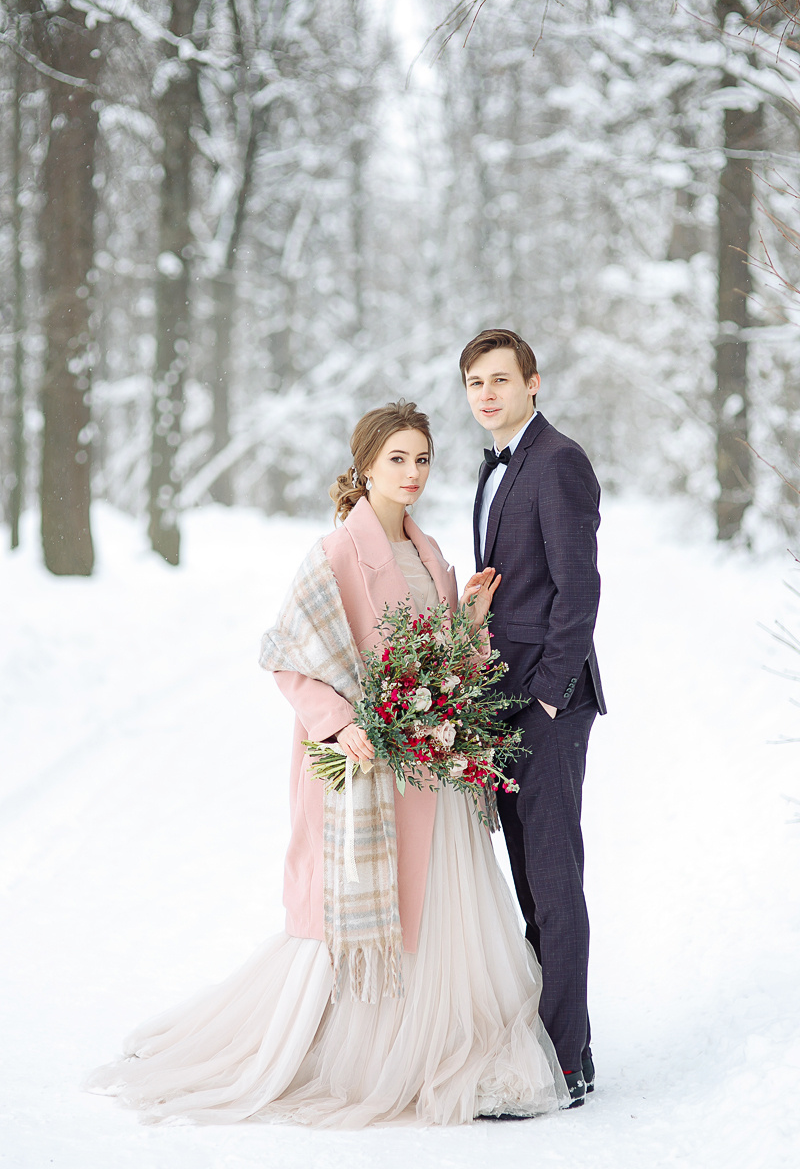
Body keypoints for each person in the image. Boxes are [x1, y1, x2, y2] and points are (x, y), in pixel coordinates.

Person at [84, 400, 569, 1127]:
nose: (412, 474)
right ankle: (368, 1054)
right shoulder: (336, 552)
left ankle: (434, 1046)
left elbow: (442, 662)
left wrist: (466, 619)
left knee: (438, 914)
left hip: (429, 771)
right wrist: (341, 724)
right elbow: (287, 658)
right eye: (397, 459)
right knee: (372, 922)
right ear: (366, 464)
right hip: (368, 770)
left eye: (423, 459)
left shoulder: (433, 552)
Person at [461, 330, 606, 1108]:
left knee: (554, 881)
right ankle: (550, 1041)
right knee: (527, 879)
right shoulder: (491, 468)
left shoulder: (558, 461)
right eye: (475, 383)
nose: (487, 394)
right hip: (504, 702)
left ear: (533, 383)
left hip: (549, 706)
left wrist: (549, 694)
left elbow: (579, 591)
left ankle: (565, 1062)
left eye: (500, 380)